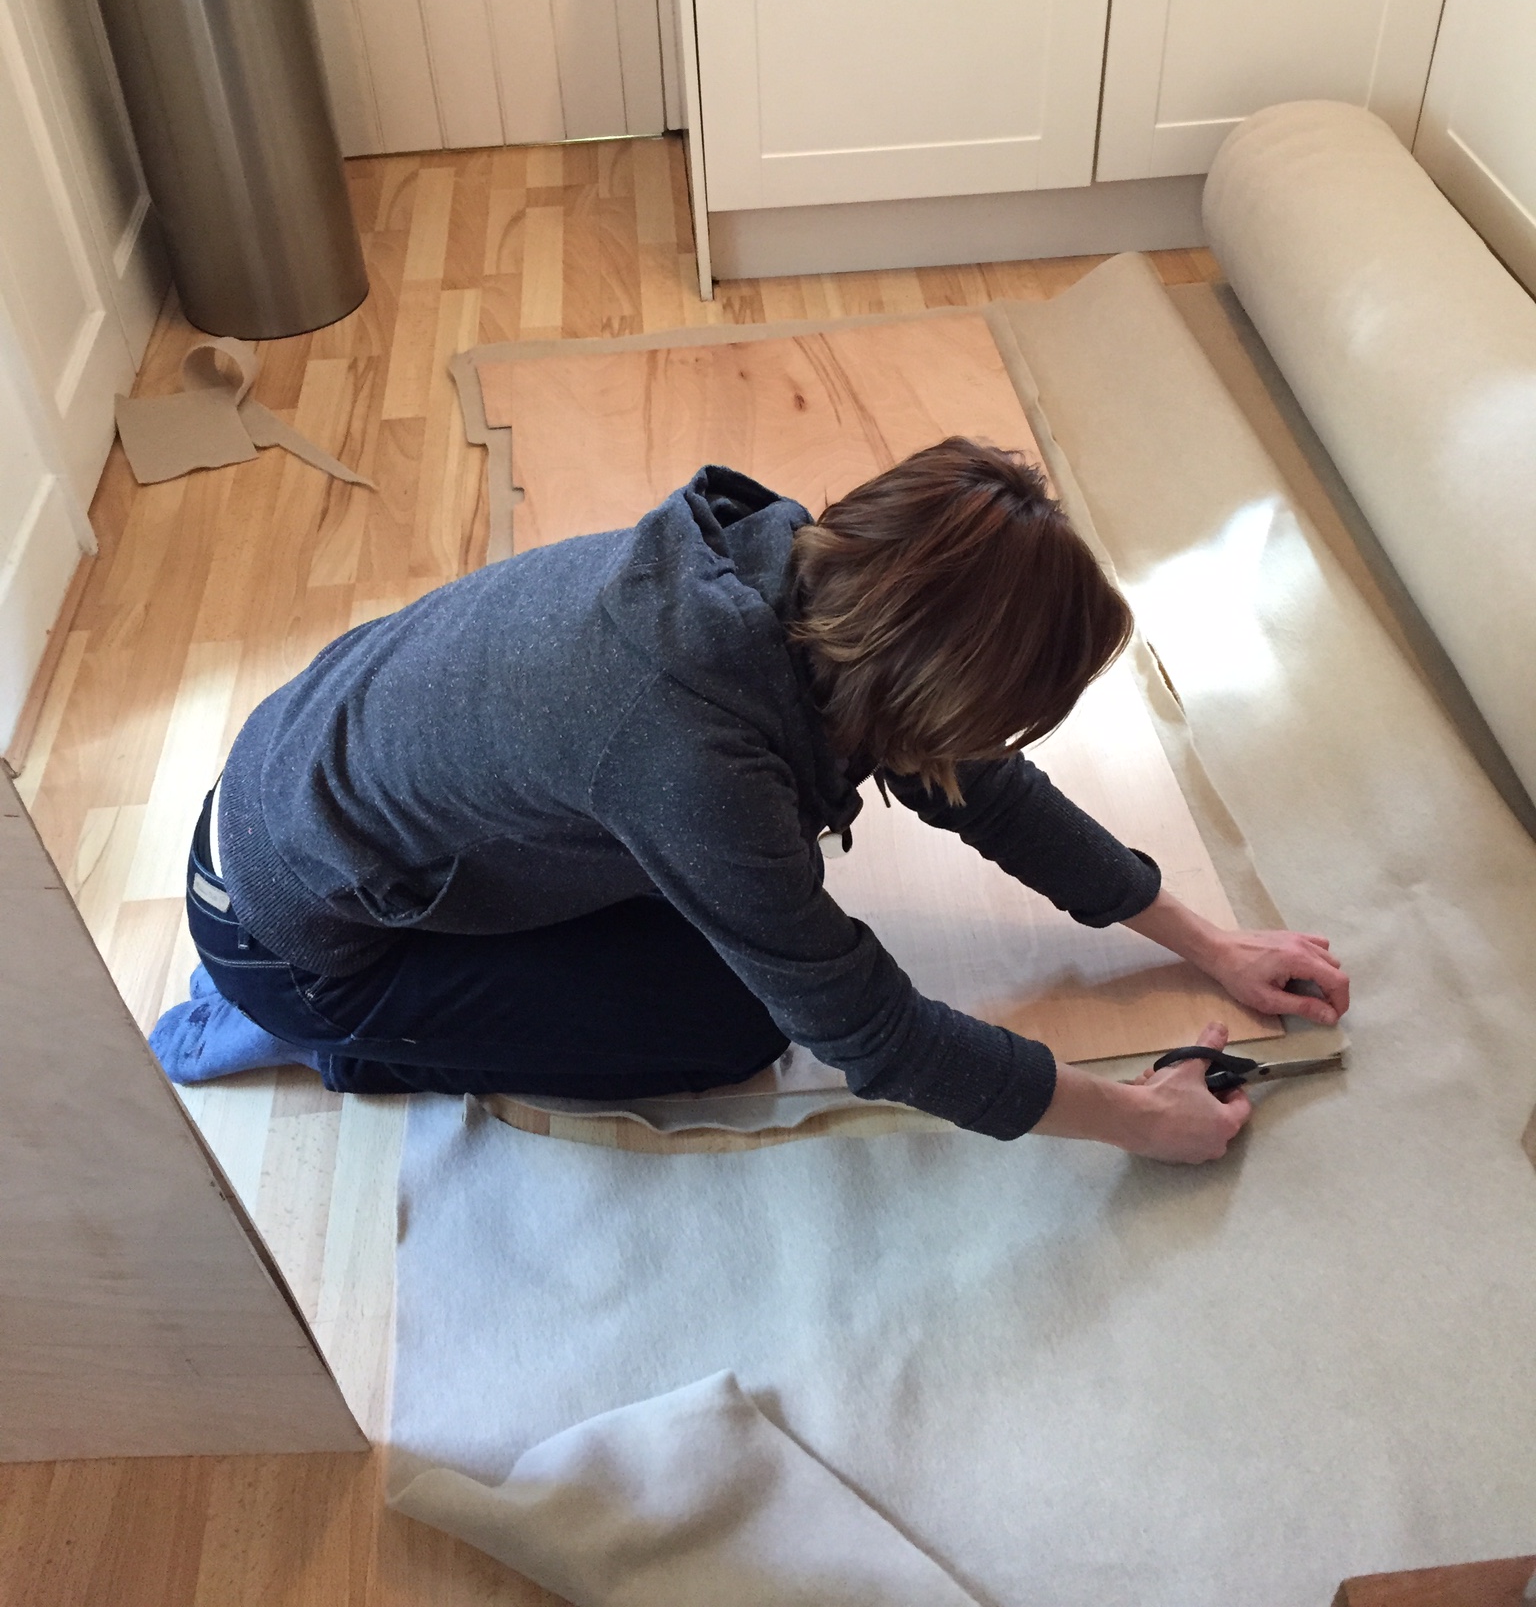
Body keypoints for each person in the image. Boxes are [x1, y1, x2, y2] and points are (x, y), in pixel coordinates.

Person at [151, 438, 1349, 1163]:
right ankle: (324, 1036)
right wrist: (1140, 1120)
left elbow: (977, 788)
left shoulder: (799, 567)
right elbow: (872, 1034)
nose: (980, 745)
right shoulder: (690, 748)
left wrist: (1205, 940)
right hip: (298, 932)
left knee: (743, 930)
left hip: (312, 791)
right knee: (731, 1026)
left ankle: (364, 990)